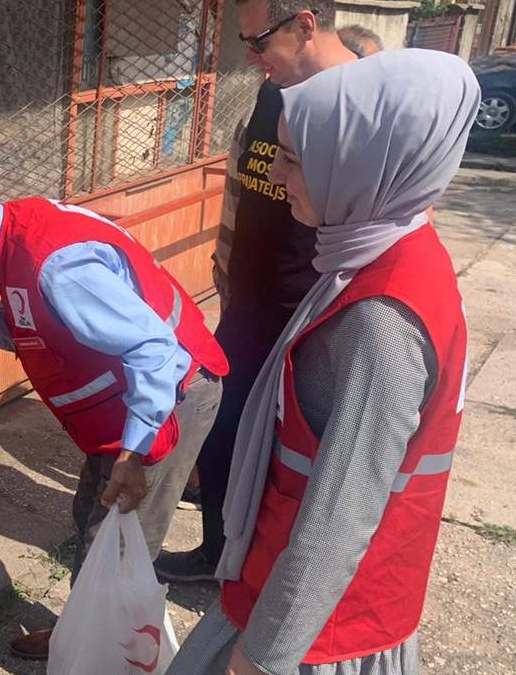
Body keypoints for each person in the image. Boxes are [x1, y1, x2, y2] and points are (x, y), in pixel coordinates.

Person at [169, 48, 479, 675]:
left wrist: (263, 657)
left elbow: (342, 515)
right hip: (292, 592)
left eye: (293, 159)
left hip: (318, 632)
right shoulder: (375, 254)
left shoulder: (382, 318)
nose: (278, 178)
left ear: (363, 163)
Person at [0, 181, 229, 661]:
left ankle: (108, 659)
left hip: (165, 406)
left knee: (121, 546)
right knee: (91, 522)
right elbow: (35, 330)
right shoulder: (15, 233)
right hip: (125, 411)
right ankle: (77, 636)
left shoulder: (54, 266)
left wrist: (132, 455)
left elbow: (154, 352)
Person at [155, 0, 358, 584]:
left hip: (308, 311)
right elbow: (246, 185)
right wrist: (224, 262)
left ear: (305, 24)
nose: (249, 56)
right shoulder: (277, 86)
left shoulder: (354, 100)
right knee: (224, 429)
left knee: (291, 449)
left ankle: (270, 571)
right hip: (249, 301)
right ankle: (220, 552)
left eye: (258, 40)